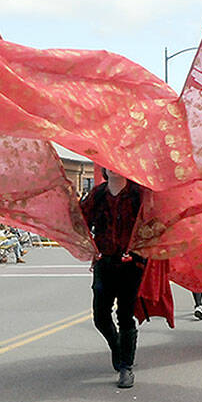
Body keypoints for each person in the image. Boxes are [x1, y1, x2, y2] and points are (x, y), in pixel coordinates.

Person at [80, 167, 145, 389]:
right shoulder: (97, 195)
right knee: (100, 316)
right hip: (104, 263)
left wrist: (139, 251)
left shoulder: (139, 194)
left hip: (131, 265)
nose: (112, 166)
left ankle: (126, 367)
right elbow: (81, 223)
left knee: (125, 315)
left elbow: (152, 225)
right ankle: (117, 347)